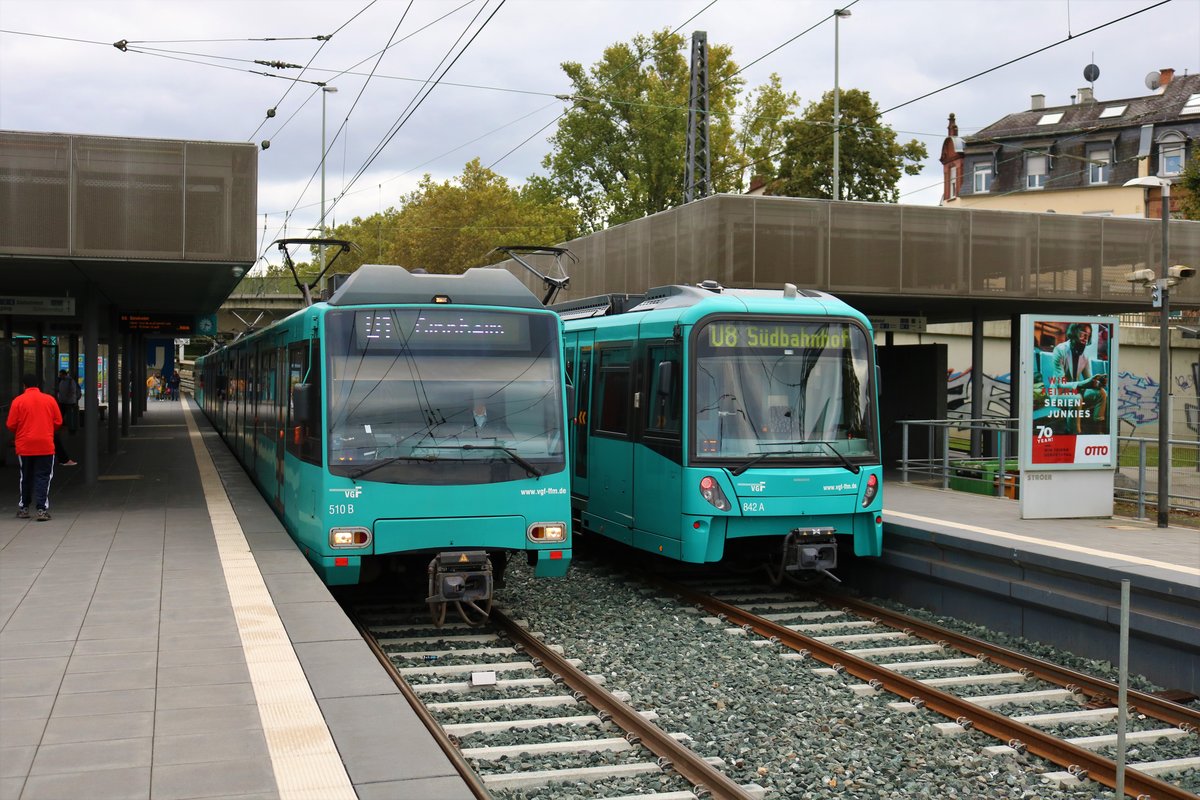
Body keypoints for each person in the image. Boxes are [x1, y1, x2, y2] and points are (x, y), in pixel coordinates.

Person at [7, 374, 63, 521]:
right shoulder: (49, 400)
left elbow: (11, 424)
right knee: (44, 476)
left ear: (24, 385)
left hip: (25, 445)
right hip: (45, 445)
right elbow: (58, 421)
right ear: (38, 385)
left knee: (25, 476)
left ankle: (24, 508)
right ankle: (41, 509)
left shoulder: (18, 401)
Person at [1049, 322, 1107, 434]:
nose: (1086, 338)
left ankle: (1098, 429)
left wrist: (1098, 383)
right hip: (1059, 393)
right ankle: (1074, 433)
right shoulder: (1059, 350)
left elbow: (1089, 379)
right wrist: (1084, 384)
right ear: (1074, 333)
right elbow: (1060, 383)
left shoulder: (1085, 356)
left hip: (1077, 391)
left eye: (1088, 335)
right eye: (1083, 334)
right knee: (1076, 399)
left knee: (1102, 393)